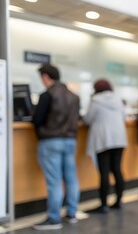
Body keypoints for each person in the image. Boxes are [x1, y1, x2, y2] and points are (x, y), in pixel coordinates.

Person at [32, 64, 80, 230]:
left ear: (46, 76)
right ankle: (72, 213)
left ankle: (54, 218)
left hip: (51, 140)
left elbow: (37, 119)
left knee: (54, 181)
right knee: (71, 178)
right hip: (70, 141)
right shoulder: (74, 97)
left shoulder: (47, 95)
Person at [83, 79, 127, 213]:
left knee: (104, 172)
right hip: (119, 138)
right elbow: (124, 116)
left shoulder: (95, 100)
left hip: (103, 139)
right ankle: (119, 201)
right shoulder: (118, 99)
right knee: (117, 169)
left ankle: (103, 204)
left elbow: (87, 119)